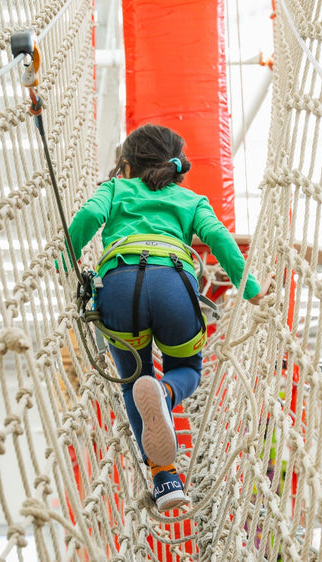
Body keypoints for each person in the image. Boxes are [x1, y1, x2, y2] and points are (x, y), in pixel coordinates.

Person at [66, 124, 272, 511]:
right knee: (188, 369)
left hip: (119, 287)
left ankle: (164, 477)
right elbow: (220, 240)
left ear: (124, 166)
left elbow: (88, 218)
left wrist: (65, 260)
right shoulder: (192, 200)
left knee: (132, 379)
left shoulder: (114, 189)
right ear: (176, 169)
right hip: (173, 284)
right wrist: (253, 291)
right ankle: (165, 393)